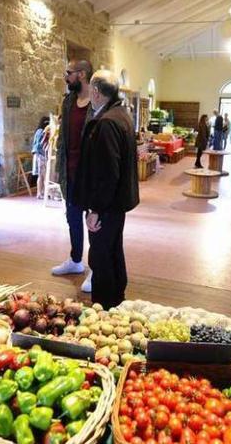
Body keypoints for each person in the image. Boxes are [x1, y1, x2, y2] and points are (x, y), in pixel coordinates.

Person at [74, 70, 139, 309]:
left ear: (96, 91)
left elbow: (107, 173)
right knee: (112, 249)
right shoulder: (121, 114)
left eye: (90, 89)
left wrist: (95, 209)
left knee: (101, 256)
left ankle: (105, 305)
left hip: (107, 205)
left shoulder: (107, 122)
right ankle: (117, 299)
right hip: (116, 203)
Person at [52, 59, 94, 283]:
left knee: (95, 222)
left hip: (91, 174)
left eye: (69, 73)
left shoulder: (96, 103)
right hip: (70, 173)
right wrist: (59, 167)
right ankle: (76, 260)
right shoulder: (68, 101)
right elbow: (62, 138)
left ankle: (96, 269)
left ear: (82, 75)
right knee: (73, 218)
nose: (65, 77)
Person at [32, 116, 50, 199]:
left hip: (39, 155)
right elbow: (39, 145)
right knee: (41, 175)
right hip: (40, 155)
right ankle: (39, 193)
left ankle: (43, 192)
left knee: (43, 175)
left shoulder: (40, 130)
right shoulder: (40, 131)